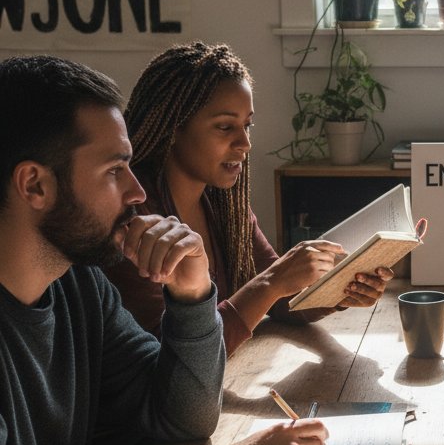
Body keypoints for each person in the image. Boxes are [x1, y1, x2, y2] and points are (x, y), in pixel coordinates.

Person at [0, 55, 329, 445]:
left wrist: (193, 293)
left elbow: (184, 415)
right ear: (35, 185)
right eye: (114, 171)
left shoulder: (79, 286)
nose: (135, 192)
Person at [105, 41, 393, 357]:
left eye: (247, 125)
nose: (244, 143)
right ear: (173, 127)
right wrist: (272, 282)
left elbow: (284, 301)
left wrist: (339, 290)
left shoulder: (224, 204)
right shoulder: (132, 219)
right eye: (225, 126)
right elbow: (177, 357)